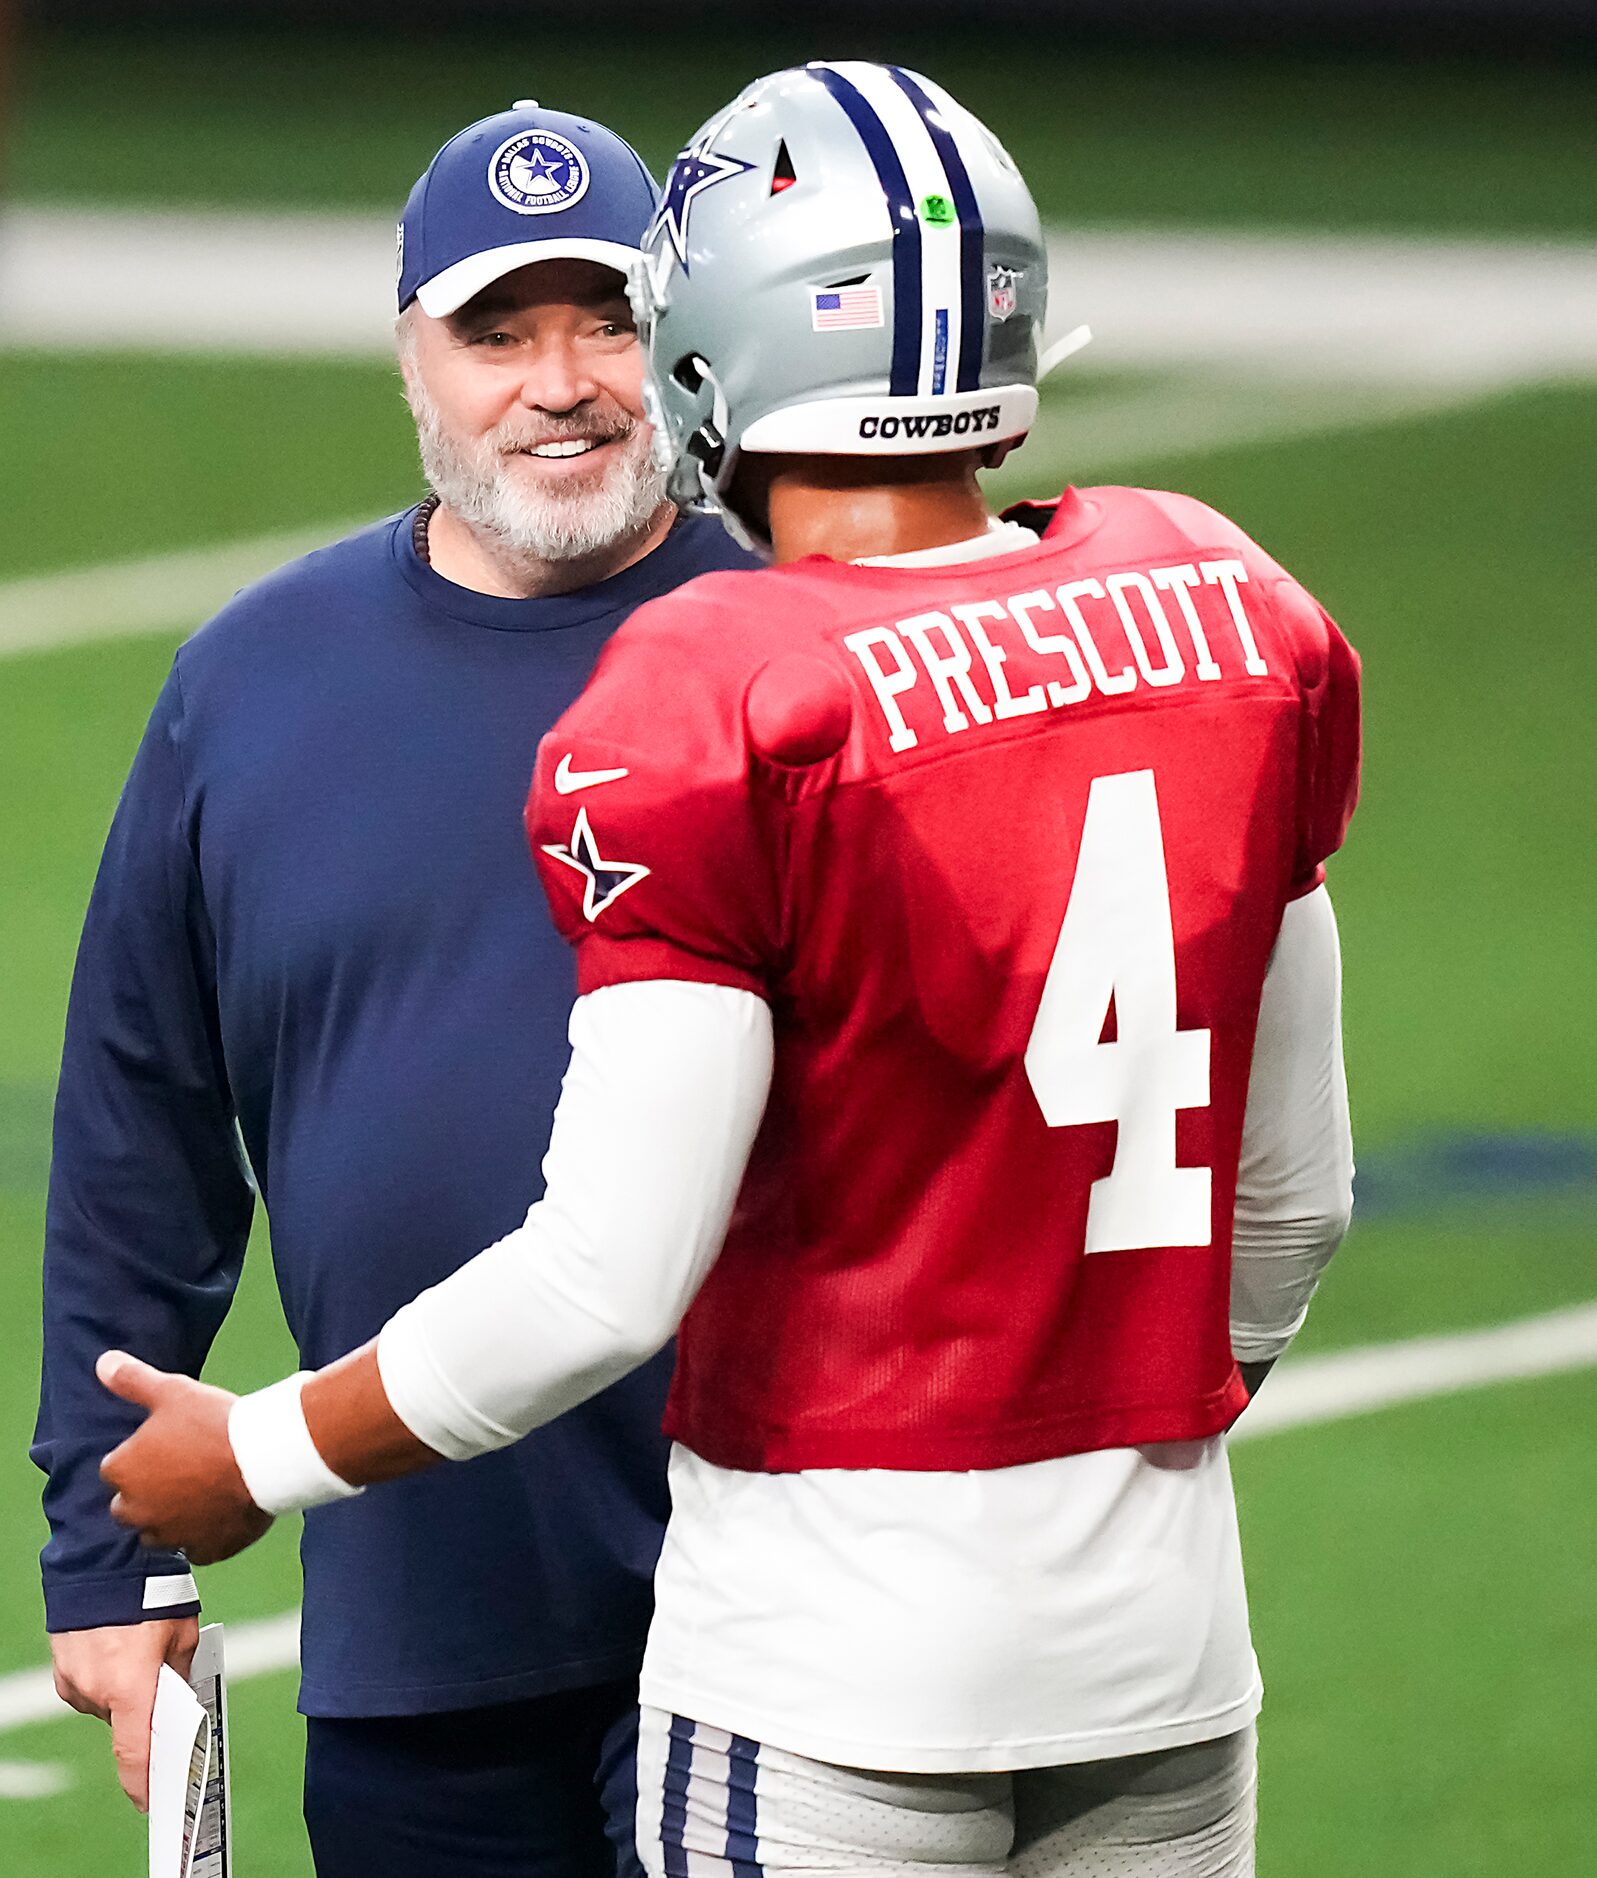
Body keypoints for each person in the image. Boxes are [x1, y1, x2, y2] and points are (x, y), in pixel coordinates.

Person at [95, 62, 1359, 1878]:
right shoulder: (1230, 613)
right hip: (1166, 1660)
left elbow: (605, 1278)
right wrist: (1091, 1450)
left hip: (830, 1667)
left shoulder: (715, 689)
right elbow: (1294, 1213)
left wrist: (261, 1455)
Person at [33, 101, 756, 1877]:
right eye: (498, 332)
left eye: (605, 319)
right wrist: (107, 1548)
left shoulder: (795, 640)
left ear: (679, 342)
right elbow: (141, 1122)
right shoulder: (252, 682)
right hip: (414, 1612)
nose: (562, 380)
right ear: (412, 360)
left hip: (776, 1627)